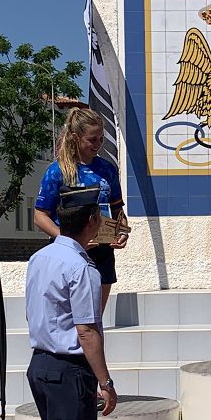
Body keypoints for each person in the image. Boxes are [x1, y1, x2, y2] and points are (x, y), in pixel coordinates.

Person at [25, 185, 119, 420]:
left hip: (43, 364)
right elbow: (87, 331)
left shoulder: (40, 257)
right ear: (93, 221)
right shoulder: (82, 267)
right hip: (68, 369)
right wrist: (106, 382)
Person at [34, 108, 127, 315]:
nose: (98, 144)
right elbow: (40, 217)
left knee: (94, 321)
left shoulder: (107, 169)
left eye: (101, 139)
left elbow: (117, 209)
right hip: (67, 254)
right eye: (92, 139)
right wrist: (69, 240)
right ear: (75, 138)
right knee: (68, 321)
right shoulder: (57, 170)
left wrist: (121, 232)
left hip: (101, 253)